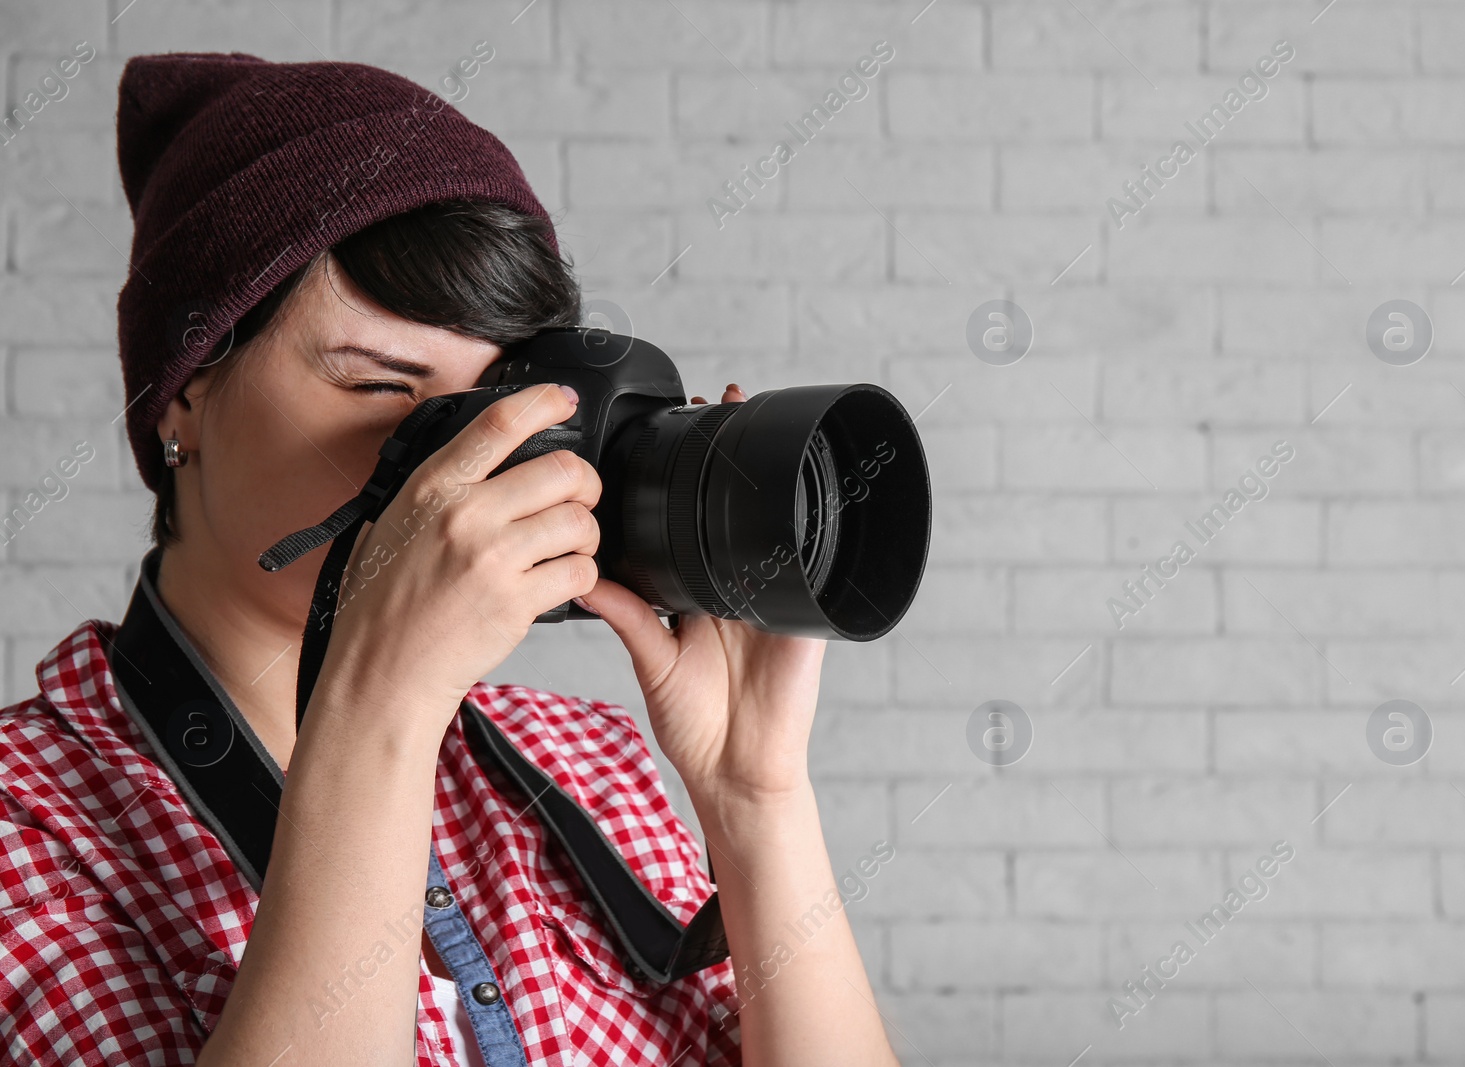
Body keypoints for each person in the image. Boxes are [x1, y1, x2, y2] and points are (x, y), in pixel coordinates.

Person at [0, 53, 898, 1066]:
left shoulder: (589, 768)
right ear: (183, 394)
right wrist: (375, 707)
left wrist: (756, 801)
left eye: (491, 412)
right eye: (385, 388)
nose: (456, 469)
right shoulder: (30, 826)